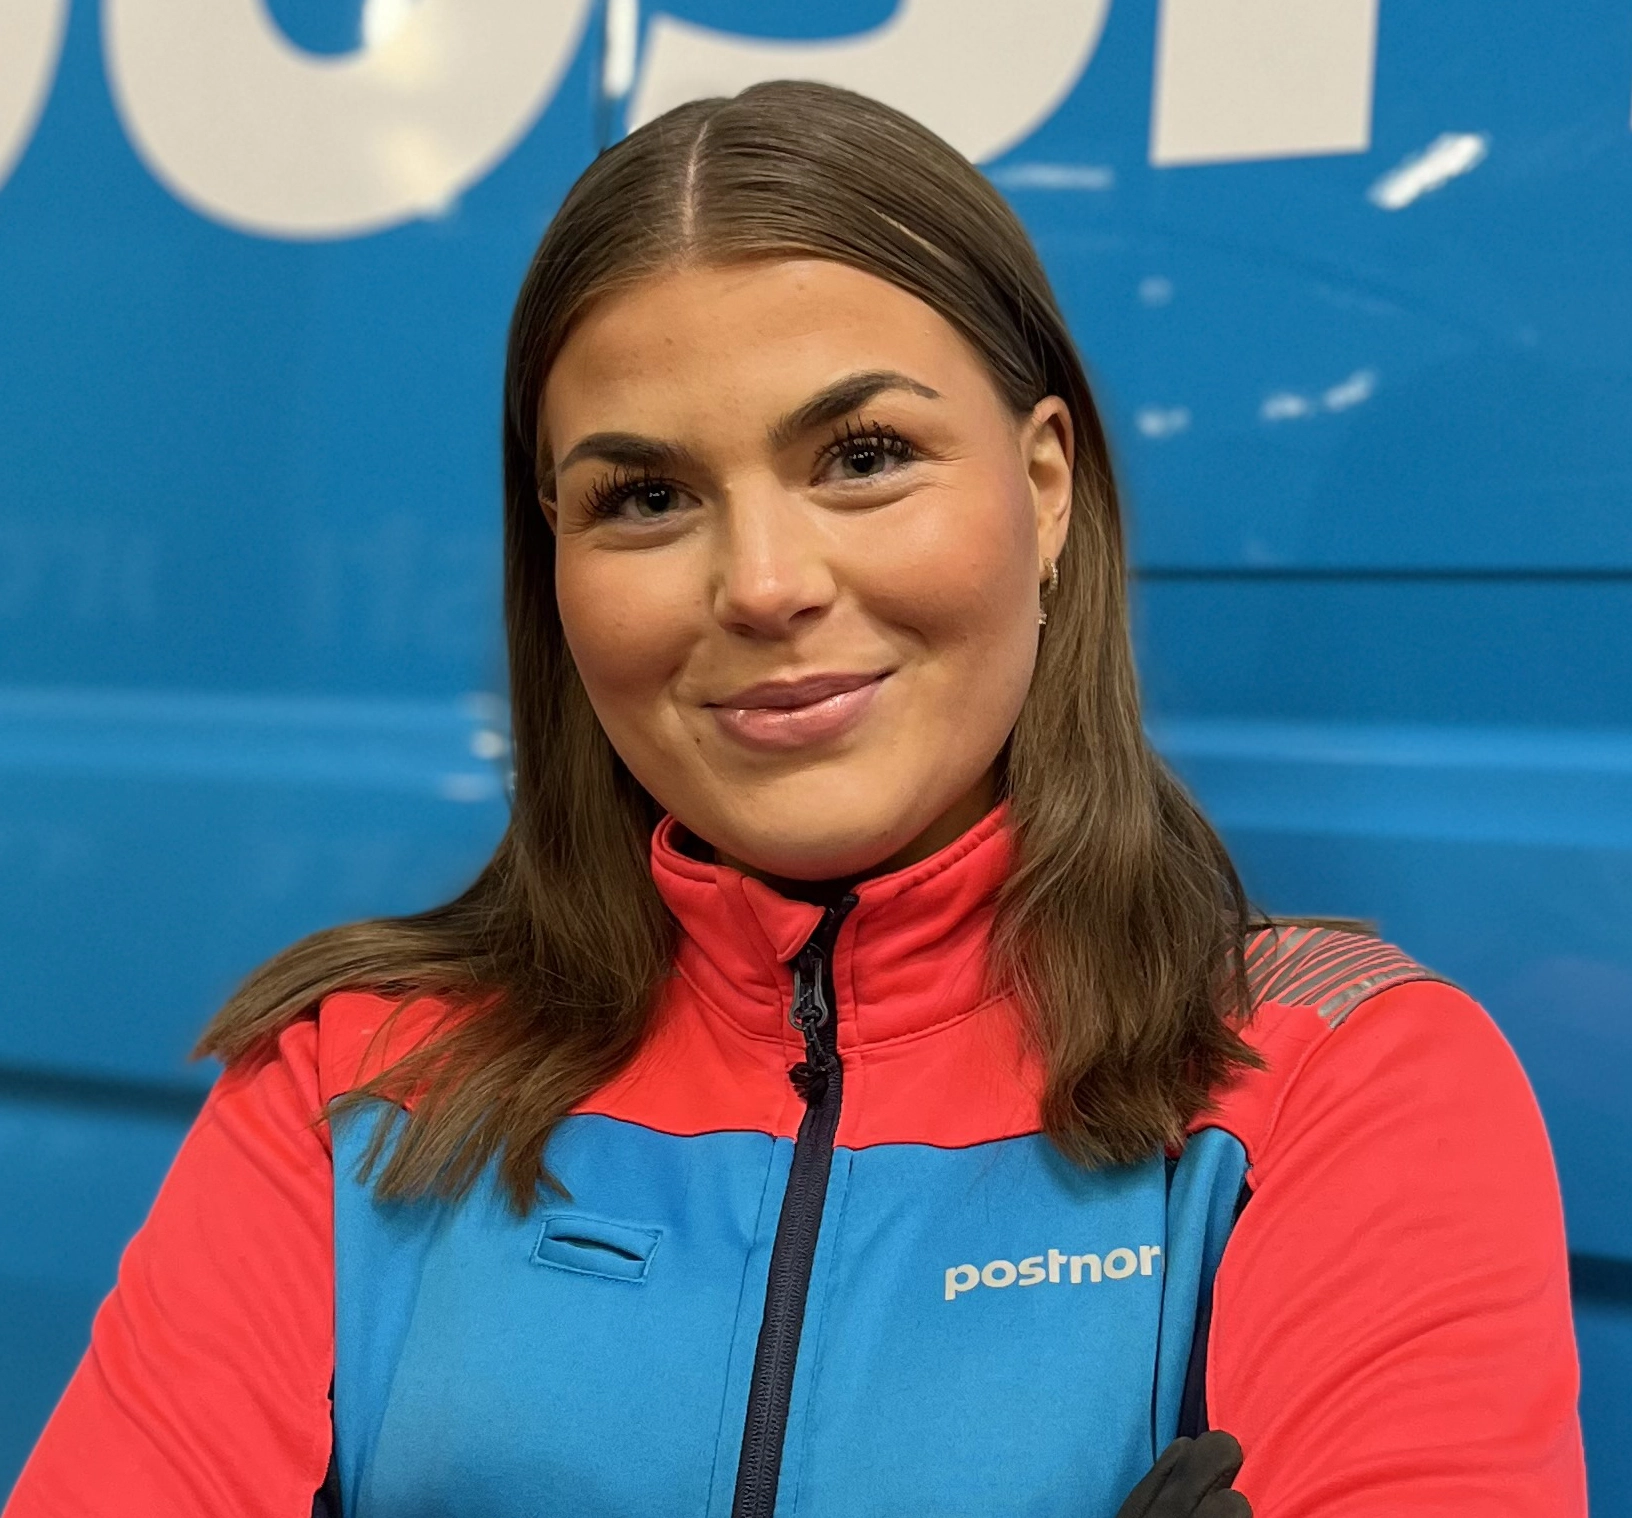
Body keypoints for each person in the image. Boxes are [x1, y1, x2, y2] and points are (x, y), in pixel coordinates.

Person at [6, 83, 1585, 1518]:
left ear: (1044, 485)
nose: (762, 584)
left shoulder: (1338, 1084)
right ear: (554, 560)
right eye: (645, 496)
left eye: (865, 454)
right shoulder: (348, 1083)